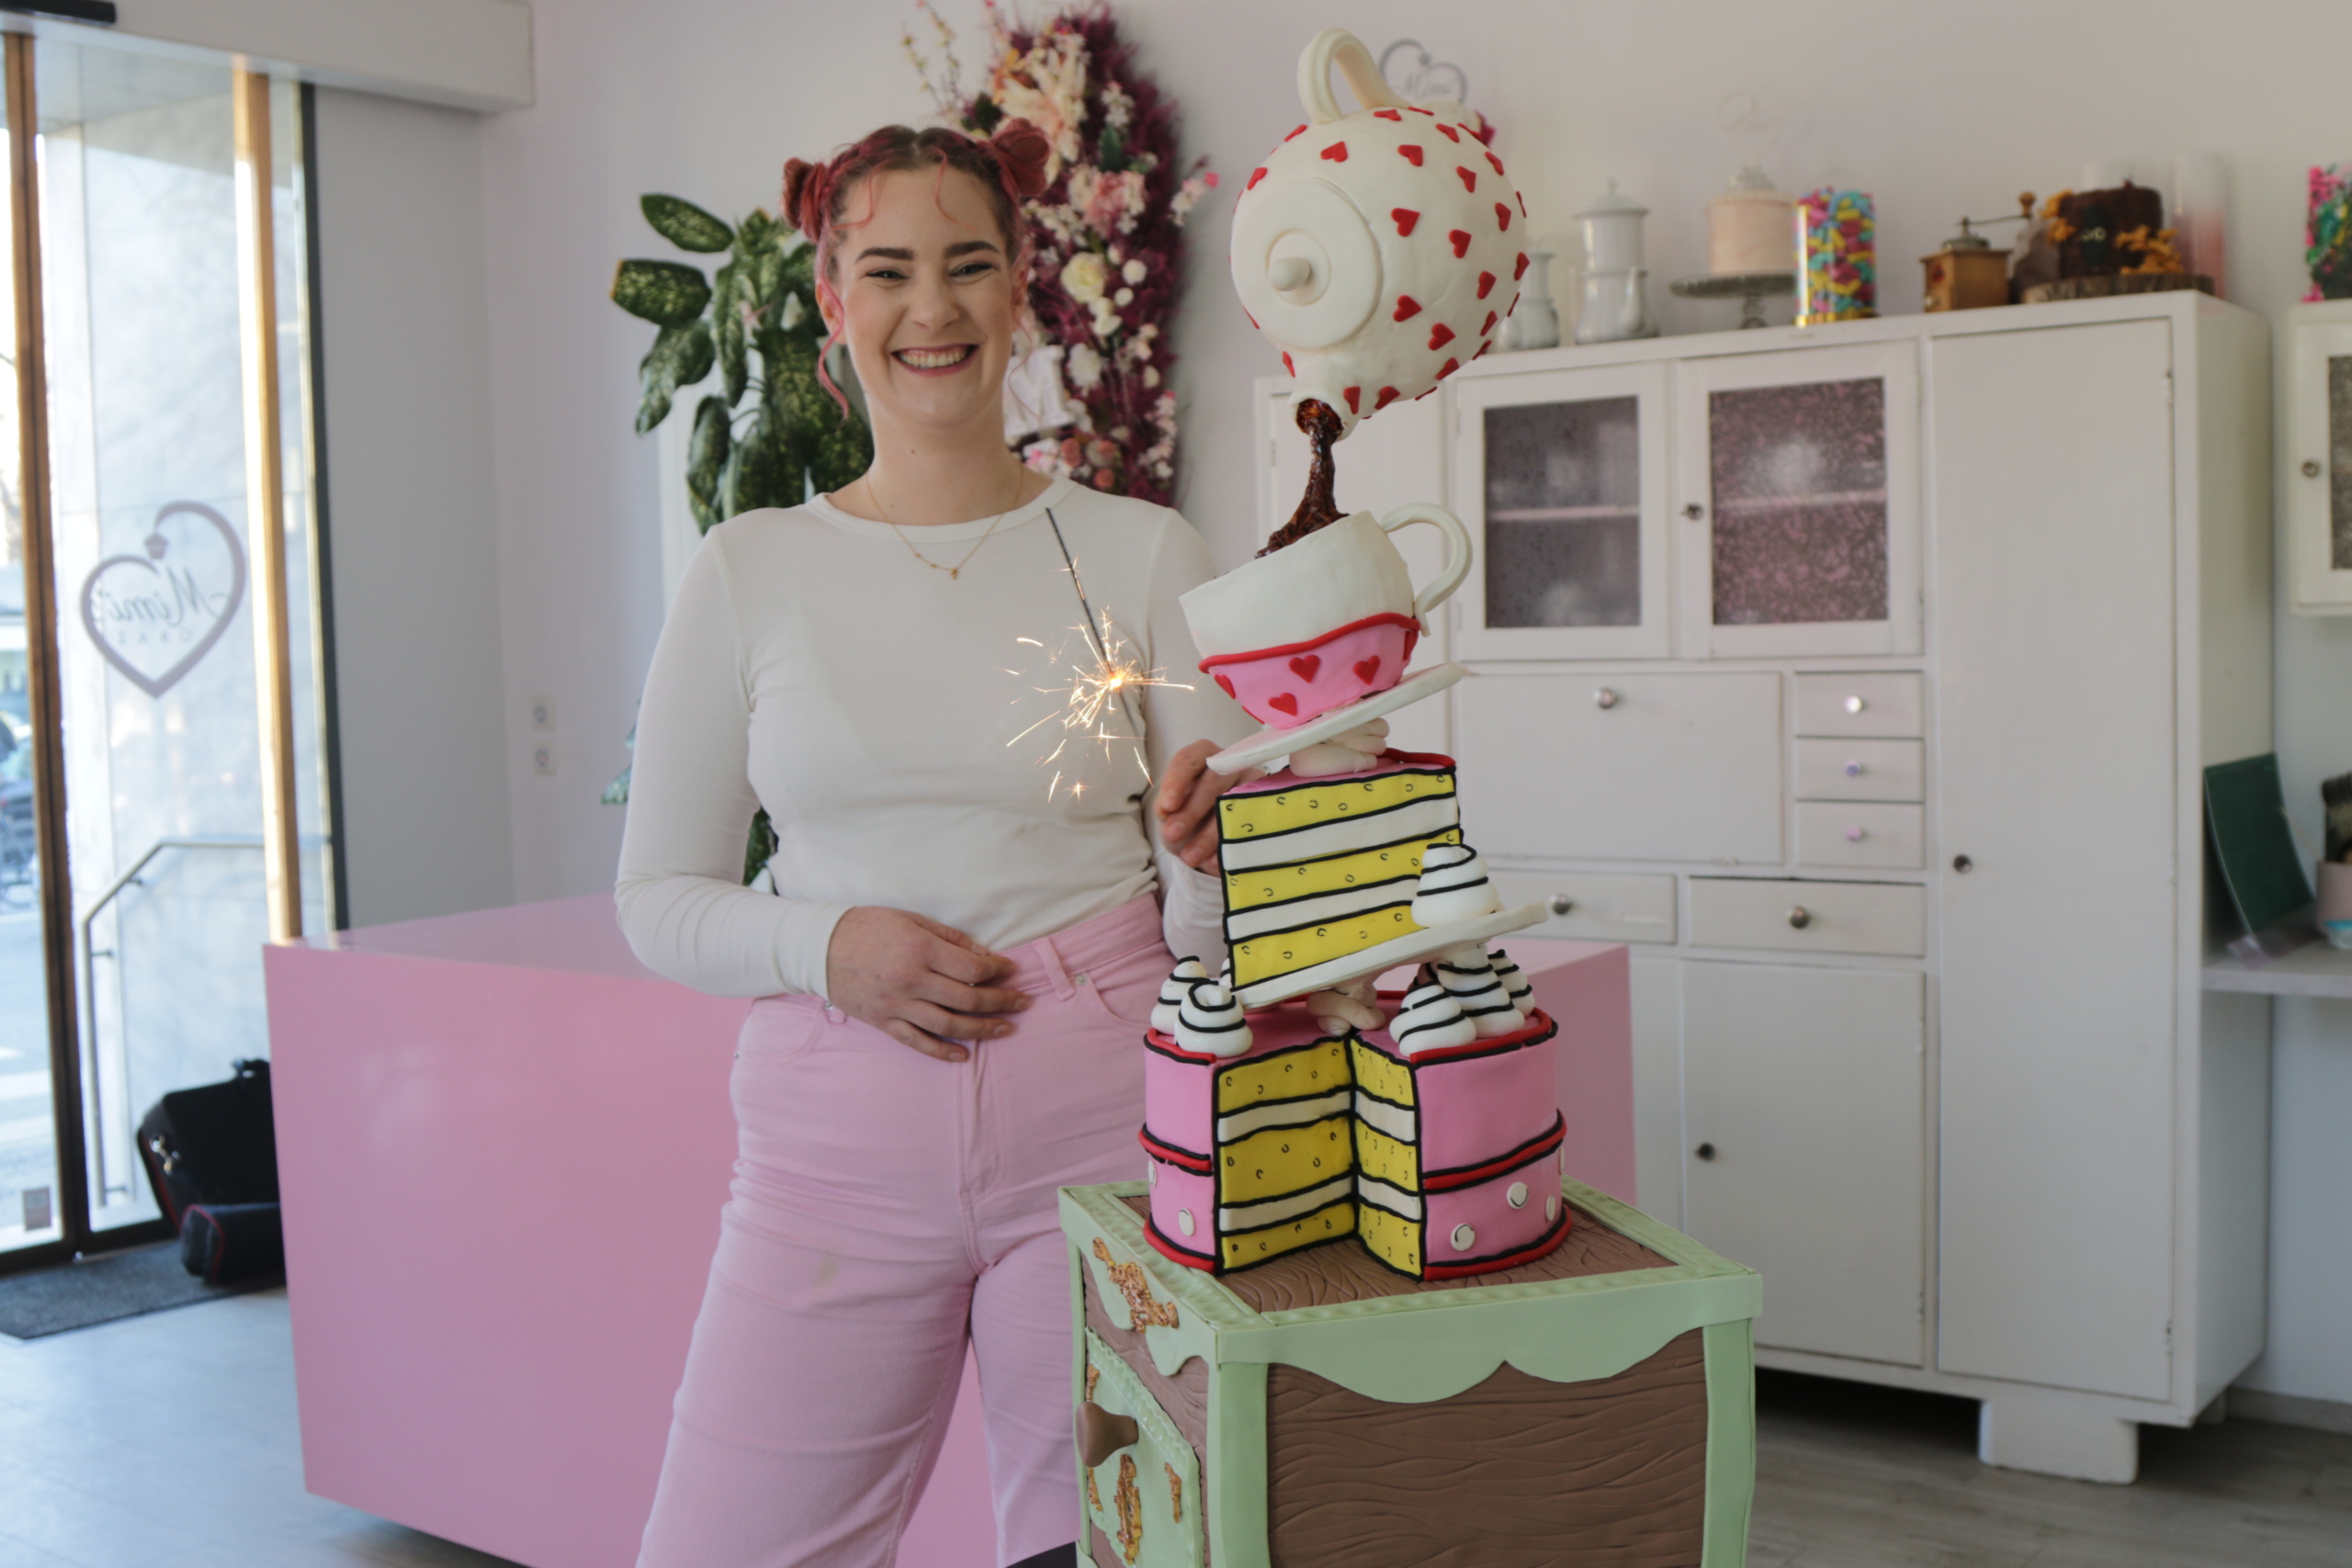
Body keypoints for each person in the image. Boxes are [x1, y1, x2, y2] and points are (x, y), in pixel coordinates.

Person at [615, 118, 1251, 1568]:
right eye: (888, 271)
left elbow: (1217, 927)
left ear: (1024, 283)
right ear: (833, 301)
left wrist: (1215, 863)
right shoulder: (749, 570)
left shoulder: (1149, 551)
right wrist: (824, 946)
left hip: (1106, 1127)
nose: (934, 308)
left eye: (971, 265)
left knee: (1114, 1547)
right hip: (832, 1150)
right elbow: (657, 896)